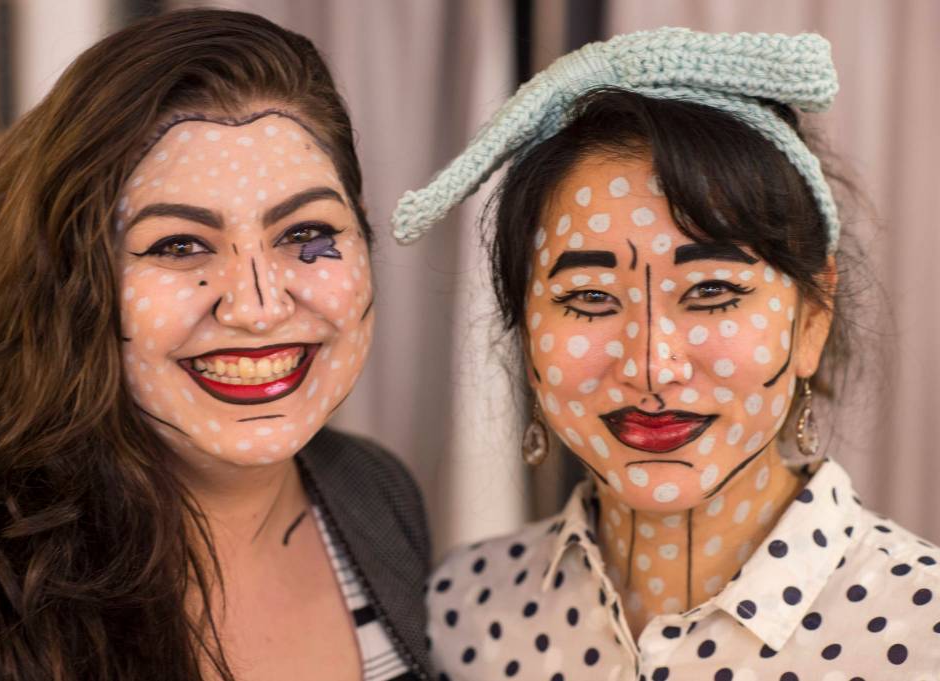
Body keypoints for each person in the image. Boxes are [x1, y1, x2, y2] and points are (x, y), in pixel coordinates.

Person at [393, 29, 940, 680]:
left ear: (812, 318)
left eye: (712, 291)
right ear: (523, 322)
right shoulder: (463, 614)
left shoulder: (922, 629)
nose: (651, 367)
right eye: (590, 297)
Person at [0, 10, 429, 681]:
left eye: (305, 233)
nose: (258, 306)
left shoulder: (378, 491)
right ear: (73, 281)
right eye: (179, 245)